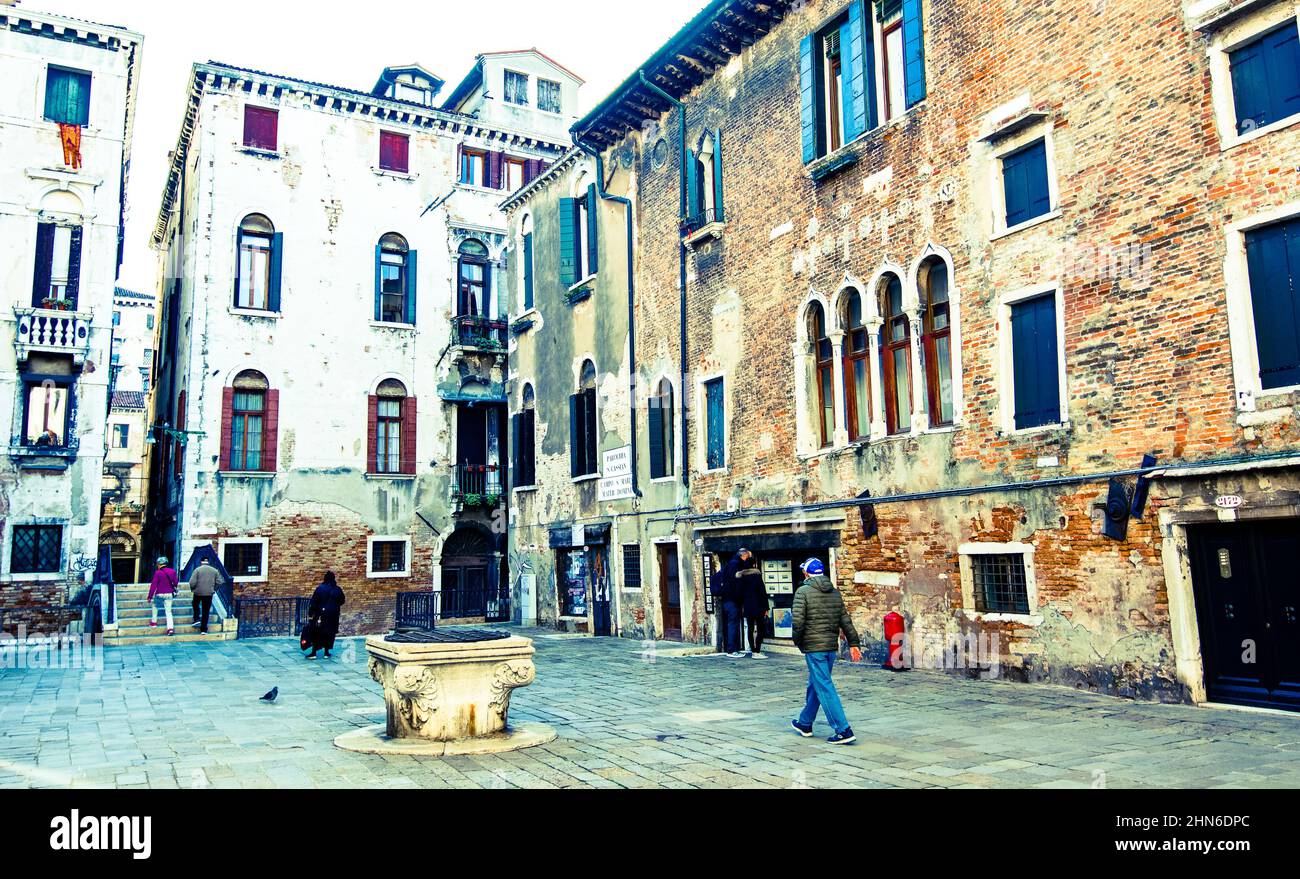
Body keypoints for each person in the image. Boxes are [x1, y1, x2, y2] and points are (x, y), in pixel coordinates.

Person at [790, 558, 862, 745]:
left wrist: (798, 642)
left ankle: (843, 729)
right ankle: (805, 723)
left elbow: (797, 622)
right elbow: (845, 620)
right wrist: (854, 643)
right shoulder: (834, 593)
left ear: (806, 573)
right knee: (816, 683)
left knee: (824, 686)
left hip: (814, 648)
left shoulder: (803, 592)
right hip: (830, 647)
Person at [715, 548, 751, 657]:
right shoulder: (735, 565)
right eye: (748, 557)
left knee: (733, 623)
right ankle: (732, 650)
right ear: (744, 556)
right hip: (732, 600)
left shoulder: (731, 563)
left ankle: (732, 648)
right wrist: (740, 597)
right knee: (733, 624)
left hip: (729, 599)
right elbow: (736, 583)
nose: (748, 560)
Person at [306, 571, 345, 660]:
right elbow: (342, 601)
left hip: (320, 615)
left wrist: (311, 613)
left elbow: (314, 602)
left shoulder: (320, 588)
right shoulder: (337, 589)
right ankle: (326, 652)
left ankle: (314, 652)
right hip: (333, 616)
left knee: (316, 633)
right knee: (330, 633)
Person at [737, 554, 769, 659]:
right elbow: (762, 592)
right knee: (760, 629)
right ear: (754, 564)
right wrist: (766, 608)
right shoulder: (757, 576)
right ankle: (757, 650)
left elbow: (740, 593)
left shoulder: (741, 577)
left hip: (748, 606)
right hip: (759, 606)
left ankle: (753, 650)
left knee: (750, 629)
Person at [188, 557, 225, 635]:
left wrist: (193, 589)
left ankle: (196, 619)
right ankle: (203, 629)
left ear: (201, 561)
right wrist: (214, 589)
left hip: (198, 592)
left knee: (195, 604)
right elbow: (220, 581)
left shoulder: (197, 570)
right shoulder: (214, 571)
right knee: (206, 611)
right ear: (208, 561)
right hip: (209, 593)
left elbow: (192, 582)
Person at [147, 556, 178, 636]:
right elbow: (175, 583)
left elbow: (153, 585)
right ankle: (170, 629)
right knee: (168, 611)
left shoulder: (158, 572)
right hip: (169, 594)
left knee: (155, 606)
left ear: (159, 564)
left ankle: (154, 622)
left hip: (159, 593)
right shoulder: (173, 571)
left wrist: (150, 596)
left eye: (157, 564)